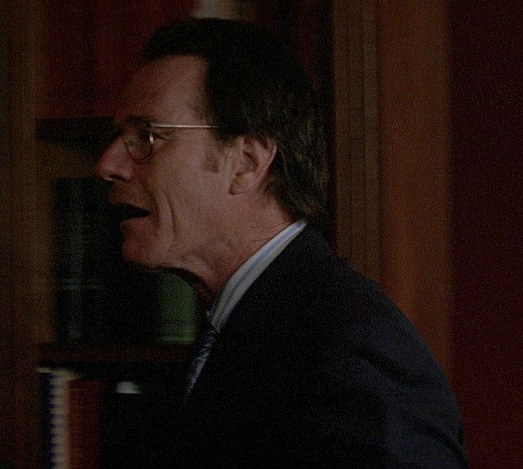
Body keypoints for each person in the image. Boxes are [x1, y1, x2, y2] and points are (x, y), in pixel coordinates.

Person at [95, 18, 467, 468]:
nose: (108, 164)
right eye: (118, 138)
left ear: (247, 162)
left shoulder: (351, 350)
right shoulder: (233, 330)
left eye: (147, 137)